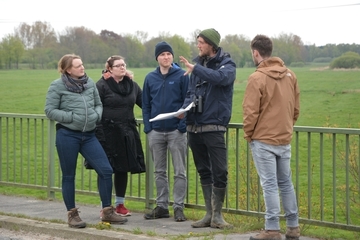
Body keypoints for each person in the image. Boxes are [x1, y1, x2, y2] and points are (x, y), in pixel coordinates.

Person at [44, 54, 127, 228]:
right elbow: (50, 110)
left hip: (89, 135)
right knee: (69, 176)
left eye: (82, 64)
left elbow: (98, 104)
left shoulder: (89, 84)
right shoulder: (57, 86)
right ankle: (72, 215)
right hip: (67, 135)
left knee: (105, 170)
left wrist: (96, 115)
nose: (82, 68)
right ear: (68, 70)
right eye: (78, 66)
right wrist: (71, 117)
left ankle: (107, 212)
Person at [242, 35, 300, 240]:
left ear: (256, 53)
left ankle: (272, 229)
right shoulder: (290, 75)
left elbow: (250, 112)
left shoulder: (256, 78)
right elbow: (296, 108)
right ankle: (293, 226)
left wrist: (249, 135)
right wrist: (286, 128)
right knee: (286, 183)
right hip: (284, 138)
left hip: (263, 140)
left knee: (269, 184)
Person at [179, 28, 236, 229]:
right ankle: (209, 215)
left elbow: (220, 79)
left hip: (214, 125)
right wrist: (183, 109)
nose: (198, 45)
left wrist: (196, 69)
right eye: (198, 42)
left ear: (211, 44)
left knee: (219, 171)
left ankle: (218, 216)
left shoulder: (227, 64)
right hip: (194, 126)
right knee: (204, 171)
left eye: (201, 42)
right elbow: (190, 92)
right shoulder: (196, 65)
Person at [142, 41, 189, 222]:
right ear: (157, 58)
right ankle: (162, 206)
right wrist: (148, 127)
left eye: (169, 54)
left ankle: (178, 207)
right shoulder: (150, 78)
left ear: (172, 56)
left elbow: (188, 100)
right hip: (156, 132)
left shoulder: (182, 75)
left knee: (180, 171)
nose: (166, 57)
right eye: (162, 54)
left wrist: (182, 125)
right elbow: (146, 104)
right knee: (159, 171)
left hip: (176, 132)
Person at [95, 55, 145, 217]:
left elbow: (146, 103)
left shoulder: (132, 85)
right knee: (105, 169)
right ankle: (105, 206)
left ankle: (120, 205)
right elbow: (95, 108)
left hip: (126, 132)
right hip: (106, 133)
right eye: (118, 66)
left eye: (124, 65)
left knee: (122, 169)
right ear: (109, 68)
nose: (122, 68)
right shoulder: (101, 85)